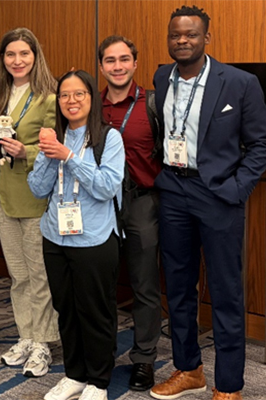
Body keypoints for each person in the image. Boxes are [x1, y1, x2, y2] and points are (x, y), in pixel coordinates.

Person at [149, 6, 266, 400]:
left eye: (190, 34)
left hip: (218, 195)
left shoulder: (239, 82)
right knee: (180, 289)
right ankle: (188, 370)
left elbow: (261, 144)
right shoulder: (161, 77)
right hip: (173, 191)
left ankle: (229, 386)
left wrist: (236, 189)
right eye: (175, 35)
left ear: (207, 38)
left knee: (225, 292)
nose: (181, 41)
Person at [28, 70, 125, 400]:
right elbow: (38, 188)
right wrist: (47, 153)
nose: (71, 101)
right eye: (65, 95)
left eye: (79, 94)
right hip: (55, 236)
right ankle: (75, 374)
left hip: (94, 238)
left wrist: (69, 157)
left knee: (94, 311)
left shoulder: (108, 138)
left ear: (91, 98)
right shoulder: (54, 137)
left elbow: (106, 187)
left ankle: (98, 380)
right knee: (65, 309)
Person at [0, 27, 59, 378]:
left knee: (38, 275)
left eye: (24, 54)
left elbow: (53, 147)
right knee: (18, 276)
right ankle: (26, 336)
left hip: (33, 197)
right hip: (2, 196)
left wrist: (23, 151)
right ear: (3, 59)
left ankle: (44, 343)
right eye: (10, 54)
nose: (17, 60)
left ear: (35, 57)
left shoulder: (48, 97)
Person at [96, 35, 163, 391]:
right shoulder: (93, 107)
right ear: (102, 66)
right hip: (100, 205)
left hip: (141, 203)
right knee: (101, 283)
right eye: (110, 60)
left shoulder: (153, 103)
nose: (117, 66)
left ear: (135, 64)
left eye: (124, 59)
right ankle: (102, 354)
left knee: (144, 284)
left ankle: (144, 359)